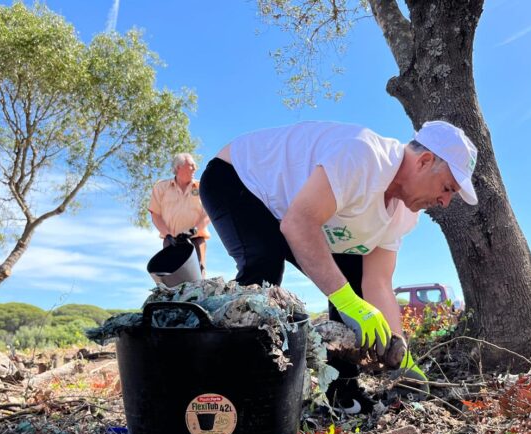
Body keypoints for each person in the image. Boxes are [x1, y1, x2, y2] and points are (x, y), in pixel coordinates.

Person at [199, 120, 478, 412]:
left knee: (351, 275)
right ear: (424, 161)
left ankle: (343, 393)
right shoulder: (363, 156)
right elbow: (298, 223)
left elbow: (377, 283)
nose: (446, 201)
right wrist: (345, 301)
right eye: (447, 188)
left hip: (293, 211)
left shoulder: (405, 216)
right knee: (263, 266)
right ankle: (229, 386)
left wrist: (404, 362)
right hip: (237, 178)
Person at [149, 153, 210, 275]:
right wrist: (168, 235)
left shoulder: (201, 187)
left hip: (196, 238)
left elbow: (209, 212)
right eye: (191, 165)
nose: (195, 168)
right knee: (172, 274)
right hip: (171, 241)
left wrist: (194, 230)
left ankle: (199, 293)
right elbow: (155, 214)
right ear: (178, 168)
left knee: (198, 272)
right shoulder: (161, 188)